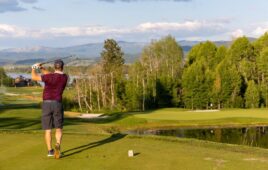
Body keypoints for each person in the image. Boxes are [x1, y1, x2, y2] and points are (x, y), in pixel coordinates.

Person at [31, 60, 68, 159]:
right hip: (57, 104)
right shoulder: (65, 77)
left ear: (54, 67)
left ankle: (50, 151)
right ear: (62, 67)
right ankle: (58, 145)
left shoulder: (49, 77)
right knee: (59, 128)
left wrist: (33, 68)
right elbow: (51, 75)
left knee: (48, 129)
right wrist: (41, 68)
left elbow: (34, 77)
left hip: (46, 104)